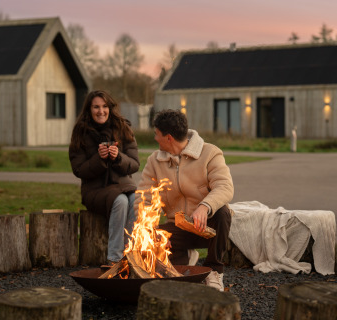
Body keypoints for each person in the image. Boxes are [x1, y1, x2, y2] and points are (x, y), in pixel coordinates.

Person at [135, 109, 234, 291]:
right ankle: (185, 261)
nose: (155, 138)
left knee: (222, 212)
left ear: (169, 138)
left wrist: (205, 207)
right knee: (152, 255)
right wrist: (149, 230)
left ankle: (214, 271)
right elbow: (144, 197)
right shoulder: (154, 161)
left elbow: (225, 187)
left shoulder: (210, 153)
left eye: (157, 134)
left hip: (207, 227)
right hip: (178, 227)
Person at [69, 90, 139, 264]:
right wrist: (98, 159)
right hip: (95, 190)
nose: (101, 111)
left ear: (110, 108)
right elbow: (79, 170)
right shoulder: (80, 132)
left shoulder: (123, 128)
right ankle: (114, 259)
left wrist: (118, 157)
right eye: (96, 107)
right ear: (89, 109)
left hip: (123, 185)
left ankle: (131, 254)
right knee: (121, 201)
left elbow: (135, 164)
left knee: (137, 200)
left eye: (104, 106)